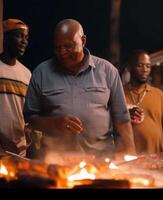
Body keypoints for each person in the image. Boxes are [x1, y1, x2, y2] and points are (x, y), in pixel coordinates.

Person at [23, 19, 136, 158]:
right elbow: (30, 118)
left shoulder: (108, 71)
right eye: (57, 47)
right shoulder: (41, 73)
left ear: (83, 41)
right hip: (57, 161)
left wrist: (130, 155)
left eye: (68, 46)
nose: (62, 52)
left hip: (101, 161)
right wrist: (55, 123)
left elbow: (122, 118)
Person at [122, 50, 163, 154]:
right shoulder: (119, 93)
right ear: (130, 67)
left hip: (155, 157)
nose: (145, 70)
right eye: (140, 65)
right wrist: (125, 115)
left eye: (148, 66)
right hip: (128, 158)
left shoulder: (158, 94)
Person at [0, 19, 31, 157]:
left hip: (20, 151)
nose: (24, 41)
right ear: (5, 38)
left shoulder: (26, 74)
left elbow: (27, 111)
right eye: (19, 36)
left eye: (26, 37)